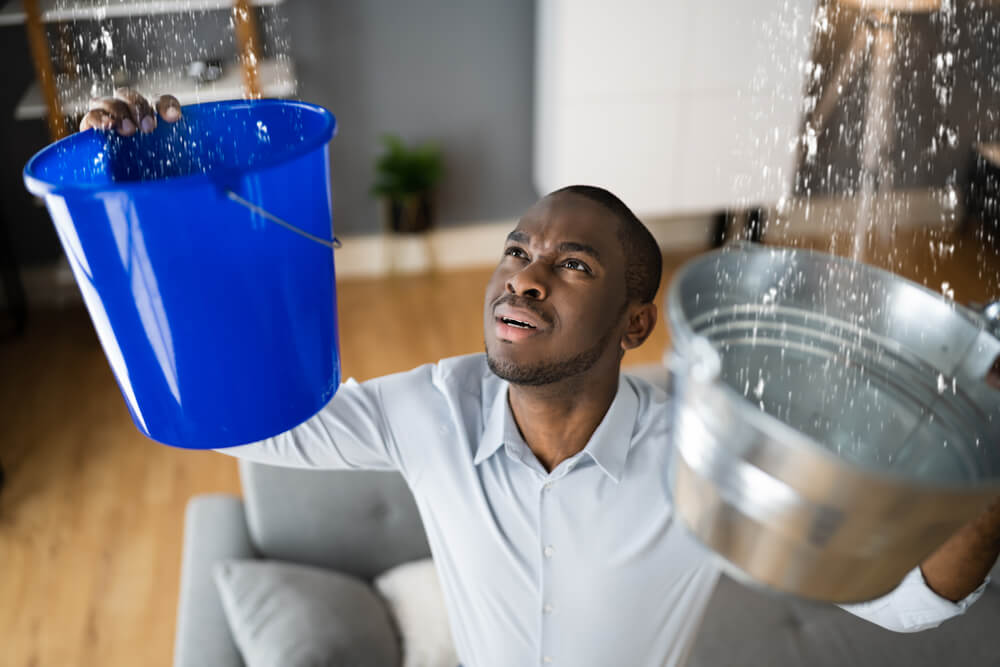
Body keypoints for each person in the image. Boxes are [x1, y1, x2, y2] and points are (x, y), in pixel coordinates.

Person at [84, 91, 1000, 667]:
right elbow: (236, 419)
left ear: (636, 322)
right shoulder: (432, 408)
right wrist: (156, 195)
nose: (524, 273)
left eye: (573, 265)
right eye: (518, 249)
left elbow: (905, 601)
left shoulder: (698, 453)